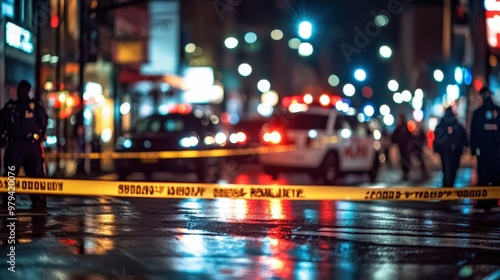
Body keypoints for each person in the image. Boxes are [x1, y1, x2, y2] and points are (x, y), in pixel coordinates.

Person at [0, 80, 49, 210]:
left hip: (30, 146)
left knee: (36, 175)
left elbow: (44, 122)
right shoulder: (11, 107)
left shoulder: (34, 106)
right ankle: (9, 203)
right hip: (16, 145)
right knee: (11, 175)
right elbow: (1, 124)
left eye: (22, 90)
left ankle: (39, 203)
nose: (20, 92)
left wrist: (40, 136)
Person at [470, 87, 500, 210]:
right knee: (495, 174)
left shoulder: (478, 113)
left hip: (483, 151)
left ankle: (484, 200)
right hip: (495, 150)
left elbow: (474, 133)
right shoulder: (497, 111)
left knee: (483, 175)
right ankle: (493, 199)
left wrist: (474, 150)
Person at [433, 107, 468, 188]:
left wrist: (436, 148)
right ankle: (449, 184)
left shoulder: (442, 125)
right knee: (452, 168)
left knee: (446, 168)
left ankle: (447, 184)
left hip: (447, 152)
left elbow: (437, 138)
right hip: (453, 152)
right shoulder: (457, 125)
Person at [391, 114, 413, 180]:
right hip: (400, 147)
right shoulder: (398, 127)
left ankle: (407, 172)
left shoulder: (406, 127)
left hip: (406, 147)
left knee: (406, 159)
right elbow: (394, 136)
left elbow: (410, 136)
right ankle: (404, 172)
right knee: (402, 160)